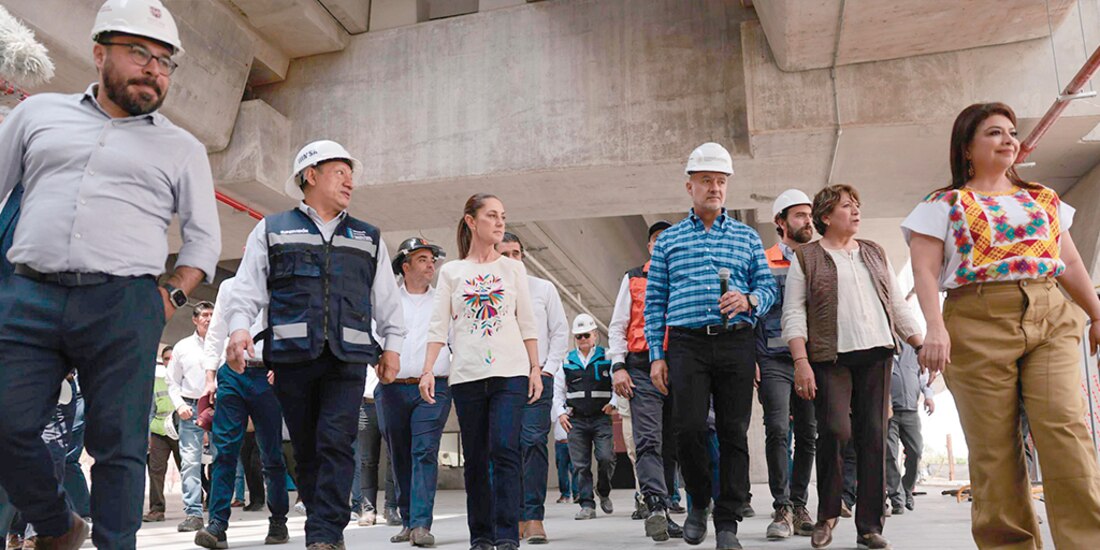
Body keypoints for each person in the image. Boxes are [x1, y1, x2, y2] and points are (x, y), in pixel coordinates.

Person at [0, 0, 221, 546]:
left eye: (165, 61)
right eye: (139, 53)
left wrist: (166, 298)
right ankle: (57, 524)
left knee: (120, 446)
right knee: (7, 426)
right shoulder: (36, 115)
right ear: (100, 54)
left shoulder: (182, 148)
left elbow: (203, 240)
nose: (154, 68)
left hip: (123, 304)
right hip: (28, 295)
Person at [904, 102, 1100, 548]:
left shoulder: (1043, 198)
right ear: (967, 149)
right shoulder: (942, 204)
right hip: (976, 320)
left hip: (1049, 312)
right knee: (995, 452)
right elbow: (925, 272)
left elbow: (1068, 261)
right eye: (994, 133)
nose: (1008, 140)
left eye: (1011, 132)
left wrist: (1096, 312)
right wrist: (934, 328)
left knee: (1065, 433)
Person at [224, 140, 406, 550]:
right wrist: (238, 330)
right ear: (311, 175)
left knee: (336, 440)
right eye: (340, 172)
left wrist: (392, 345)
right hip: (292, 358)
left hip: (348, 358)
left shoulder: (367, 236)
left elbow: (386, 300)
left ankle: (325, 533)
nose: (350, 182)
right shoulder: (271, 229)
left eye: (351, 175)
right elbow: (247, 289)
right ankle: (322, 525)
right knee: (306, 448)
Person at [644, 142, 778, 550]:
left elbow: (767, 286)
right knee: (687, 429)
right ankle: (698, 501)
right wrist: (656, 356)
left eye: (721, 181)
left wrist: (749, 300)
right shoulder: (669, 242)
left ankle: (727, 522)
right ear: (690, 187)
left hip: (736, 342)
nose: (715, 188)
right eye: (706, 181)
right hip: (686, 344)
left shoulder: (746, 237)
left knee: (735, 431)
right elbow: (655, 302)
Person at [782, 184, 923, 550]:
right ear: (826, 216)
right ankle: (827, 514)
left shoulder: (874, 252)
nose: (856, 211)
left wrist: (919, 343)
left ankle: (869, 527)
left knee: (874, 437)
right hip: (831, 358)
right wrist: (801, 361)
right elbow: (794, 312)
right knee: (834, 430)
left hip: (877, 354)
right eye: (847, 206)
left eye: (858, 205)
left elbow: (896, 304)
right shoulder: (806, 258)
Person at [419, 193, 542, 550]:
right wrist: (428, 370)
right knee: (474, 457)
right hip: (467, 375)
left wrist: (535, 368)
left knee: (505, 449)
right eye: (492, 215)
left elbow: (527, 323)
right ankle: (482, 536)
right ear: (472, 221)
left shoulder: (513, 268)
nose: (500, 222)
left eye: (503, 215)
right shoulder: (452, 273)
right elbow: (437, 326)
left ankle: (507, 535)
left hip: (511, 372)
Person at [194, 276, 290, 548]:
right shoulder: (229, 286)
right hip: (232, 374)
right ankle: (217, 526)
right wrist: (210, 377)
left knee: (271, 453)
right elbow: (216, 332)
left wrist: (285, 364)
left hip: (267, 373)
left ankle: (278, 521)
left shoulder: (282, 284)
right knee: (223, 451)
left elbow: (291, 328)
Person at [608, 219, 684, 541]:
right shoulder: (634, 278)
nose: (662, 244)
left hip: (681, 368)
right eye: (656, 240)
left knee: (673, 445)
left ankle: (667, 509)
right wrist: (618, 366)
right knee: (648, 439)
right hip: (641, 368)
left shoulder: (685, 278)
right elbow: (617, 326)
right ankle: (655, 506)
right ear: (650, 246)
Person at [377, 237, 452, 547]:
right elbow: (373, 337)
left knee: (424, 452)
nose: (430, 264)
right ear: (405, 266)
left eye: (432, 259)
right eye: (423, 259)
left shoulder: (444, 300)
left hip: (434, 387)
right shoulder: (387, 301)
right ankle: (408, 521)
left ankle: (422, 524)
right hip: (392, 389)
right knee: (400, 455)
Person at [498, 232, 569, 545]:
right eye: (506, 254)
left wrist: (549, 369)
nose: (513, 259)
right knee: (505, 449)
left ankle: (534, 517)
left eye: (517, 253)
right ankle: (511, 518)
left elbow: (559, 331)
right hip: (500, 380)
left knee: (534, 444)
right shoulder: (489, 290)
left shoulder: (543, 289)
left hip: (538, 378)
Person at [756, 189, 818, 540]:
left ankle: (799, 504)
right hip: (773, 359)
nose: (807, 221)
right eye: (799, 215)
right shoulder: (763, 260)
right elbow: (755, 314)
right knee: (778, 429)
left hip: (810, 361)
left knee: (808, 434)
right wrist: (753, 358)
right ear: (780, 222)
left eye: (809, 215)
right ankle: (781, 507)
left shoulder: (818, 258)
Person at [554, 314, 617, 521]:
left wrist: (614, 402)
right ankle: (587, 504)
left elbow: (617, 380)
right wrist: (560, 414)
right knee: (580, 465)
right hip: (577, 420)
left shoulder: (607, 357)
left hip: (601, 418)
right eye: (578, 336)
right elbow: (558, 391)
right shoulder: (566, 361)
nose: (582, 339)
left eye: (586, 335)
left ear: (595, 335)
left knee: (606, 457)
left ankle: (604, 490)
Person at [167, 301, 216, 532]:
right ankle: (194, 514)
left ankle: (217, 510)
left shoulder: (223, 343)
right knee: (190, 462)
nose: (208, 318)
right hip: (190, 407)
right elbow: (172, 381)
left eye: (212, 315)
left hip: (220, 406)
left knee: (222, 458)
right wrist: (178, 405)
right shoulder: (182, 347)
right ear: (195, 319)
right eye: (204, 315)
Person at [886, 341, 934, 516]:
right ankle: (896, 498)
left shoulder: (913, 351)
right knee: (890, 454)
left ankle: (906, 490)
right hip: (888, 413)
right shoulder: (882, 350)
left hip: (911, 412)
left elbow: (924, 379)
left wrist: (928, 397)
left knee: (916, 451)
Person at [146, 346, 182, 523]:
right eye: (166, 358)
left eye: (172, 358)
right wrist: (148, 433)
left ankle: (196, 504)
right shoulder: (157, 382)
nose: (169, 362)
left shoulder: (185, 379)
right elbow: (150, 410)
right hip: (159, 430)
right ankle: (157, 509)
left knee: (189, 468)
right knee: (156, 470)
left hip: (181, 430)